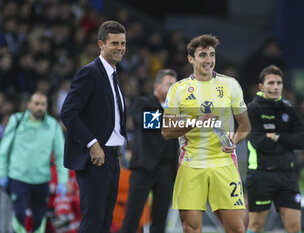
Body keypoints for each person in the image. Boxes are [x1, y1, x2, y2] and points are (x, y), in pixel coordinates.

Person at [162, 34, 251, 233]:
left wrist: (234, 140)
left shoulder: (230, 85)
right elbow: (166, 131)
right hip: (192, 164)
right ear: (191, 59)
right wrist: (195, 122)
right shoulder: (178, 89)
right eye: (202, 55)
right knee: (191, 227)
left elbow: (245, 125)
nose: (208, 59)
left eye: (212, 54)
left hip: (224, 163)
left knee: (237, 228)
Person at [60, 20, 127, 233]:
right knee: (93, 220)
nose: (120, 48)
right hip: (96, 157)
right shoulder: (90, 72)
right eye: (114, 43)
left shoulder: (113, 75)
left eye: (123, 43)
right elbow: (68, 112)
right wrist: (92, 143)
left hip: (113, 156)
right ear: (101, 44)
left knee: (105, 220)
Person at [245, 65, 304, 233]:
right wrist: (287, 142)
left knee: (294, 227)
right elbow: (260, 143)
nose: (276, 87)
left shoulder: (288, 109)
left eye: (279, 83)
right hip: (261, 175)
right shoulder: (252, 110)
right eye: (271, 83)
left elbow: (302, 140)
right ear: (261, 87)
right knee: (256, 226)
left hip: (287, 175)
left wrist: (278, 137)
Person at [0, 92, 68, 233]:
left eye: (43, 104)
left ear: (47, 106)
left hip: (41, 179)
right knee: (19, 215)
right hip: (18, 177)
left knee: (39, 218)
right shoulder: (17, 120)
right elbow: (4, 149)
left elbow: (60, 156)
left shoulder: (53, 126)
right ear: (29, 105)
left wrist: (63, 180)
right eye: (36, 104)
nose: (39, 107)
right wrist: (2, 173)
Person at [120, 69, 178, 233]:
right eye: (170, 84)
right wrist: (178, 119)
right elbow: (147, 121)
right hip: (143, 167)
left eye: (176, 86)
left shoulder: (177, 109)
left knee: (160, 221)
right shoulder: (141, 102)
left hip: (166, 169)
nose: (174, 89)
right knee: (132, 217)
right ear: (157, 85)